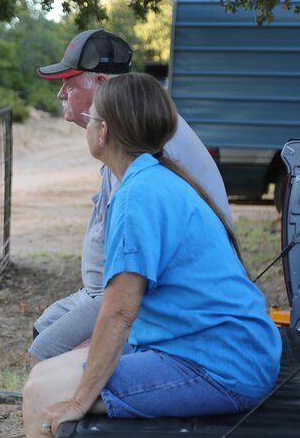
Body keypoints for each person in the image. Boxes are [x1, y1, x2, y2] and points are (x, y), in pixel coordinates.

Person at [22, 73, 281, 437]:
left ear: (103, 132)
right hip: (222, 349)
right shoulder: (154, 176)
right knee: (42, 373)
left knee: (40, 393)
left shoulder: (138, 194)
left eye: (92, 117)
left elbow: (120, 313)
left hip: (219, 365)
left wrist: (80, 400)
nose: (88, 124)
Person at [29, 29, 232, 364]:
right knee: (44, 331)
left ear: (103, 85)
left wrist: (106, 338)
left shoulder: (143, 146)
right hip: (115, 290)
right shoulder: (130, 132)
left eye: (70, 83)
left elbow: (144, 273)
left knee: (48, 353)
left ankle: (71, 407)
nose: (60, 95)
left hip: (169, 301)